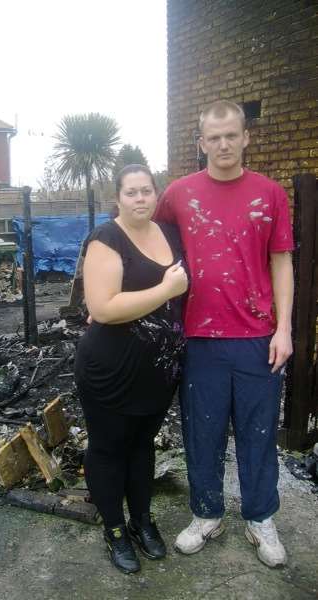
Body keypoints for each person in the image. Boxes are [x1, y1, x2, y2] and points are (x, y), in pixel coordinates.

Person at [154, 100, 294, 568]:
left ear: (246, 136)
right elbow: (150, 245)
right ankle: (206, 513)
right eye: (213, 138)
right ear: (201, 143)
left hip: (258, 337)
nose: (223, 144)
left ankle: (260, 518)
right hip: (199, 339)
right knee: (203, 433)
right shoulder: (178, 193)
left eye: (231, 135)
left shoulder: (270, 194)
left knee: (258, 434)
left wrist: (285, 329)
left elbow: (282, 262)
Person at [75, 164, 188, 574]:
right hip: (110, 369)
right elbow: (102, 308)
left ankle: (142, 520)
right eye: (131, 193)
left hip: (158, 372)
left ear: (156, 194)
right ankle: (115, 530)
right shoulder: (107, 238)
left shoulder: (169, 234)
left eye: (147, 191)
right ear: (118, 198)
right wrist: (165, 290)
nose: (140, 199)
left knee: (142, 446)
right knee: (108, 449)